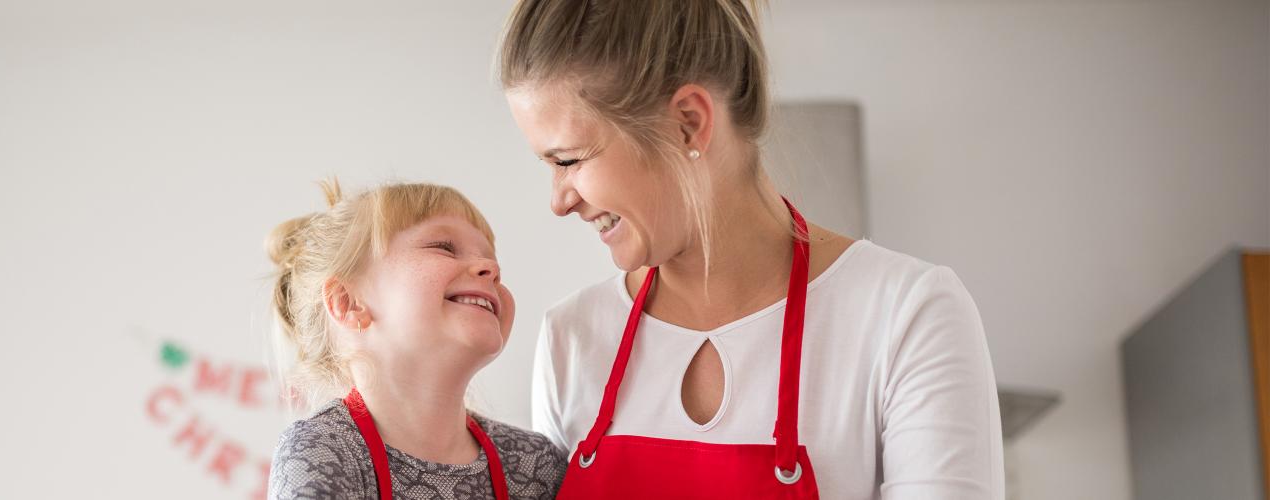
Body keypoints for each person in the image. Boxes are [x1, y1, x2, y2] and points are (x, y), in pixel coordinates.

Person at [498, 1, 1006, 498]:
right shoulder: (572, 337)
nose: (559, 202)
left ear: (688, 124)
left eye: (567, 160)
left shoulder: (907, 317)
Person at [266, 180, 568, 499]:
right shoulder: (322, 451)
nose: (491, 269)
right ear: (348, 302)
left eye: (494, 261)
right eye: (444, 247)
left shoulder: (535, 463)